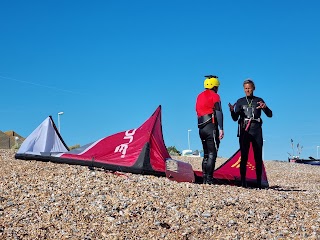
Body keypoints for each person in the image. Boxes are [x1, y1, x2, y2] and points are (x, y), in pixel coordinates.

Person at [228, 79, 272, 188]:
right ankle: (243, 182)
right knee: (244, 156)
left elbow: (270, 114)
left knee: (258, 156)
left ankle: (258, 182)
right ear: (244, 89)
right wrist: (232, 111)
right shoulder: (240, 101)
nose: (247, 90)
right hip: (245, 131)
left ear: (254, 88)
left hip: (257, 130)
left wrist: (265, 108)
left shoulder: (259, 100)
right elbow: (234, 118)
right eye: (246, 88)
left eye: (249, 88)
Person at [196, 75, 224, 184]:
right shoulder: (215, 96)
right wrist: (221, 128)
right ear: (214, 86)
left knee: (206, 154)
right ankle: (209, 180)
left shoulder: (199, 96)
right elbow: (219, 112)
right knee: (212, 153)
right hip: (210, 127)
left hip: (201, 128)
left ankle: (204, 179)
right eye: (217, 86)